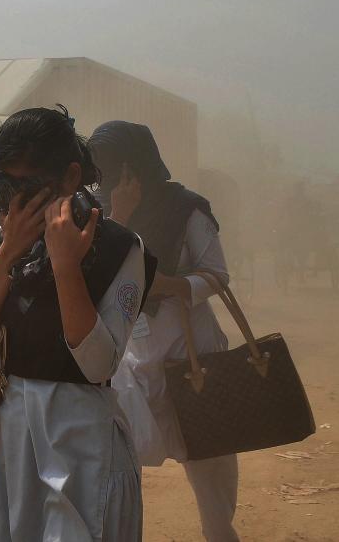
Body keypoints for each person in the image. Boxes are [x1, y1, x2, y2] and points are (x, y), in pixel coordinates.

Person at [0, 107, 156, 542]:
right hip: (15, 441)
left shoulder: (120, 248)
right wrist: (8, 253)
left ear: (69, 177)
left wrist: (66, 266)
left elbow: (98, 365)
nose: (14, 202)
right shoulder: (1, 234)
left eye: (27, 187)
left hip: (82, 444)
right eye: (4, 186)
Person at [88, 121, 240, 542]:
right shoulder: (97, 214)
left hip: (191, 348)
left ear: (136, 165)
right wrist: (119, 215)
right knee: (116, 458)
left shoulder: (185, 207)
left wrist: (171, 286)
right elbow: (91, 277)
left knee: (209, 460)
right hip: (130, 356)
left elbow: (217, 274)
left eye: (114, 167)